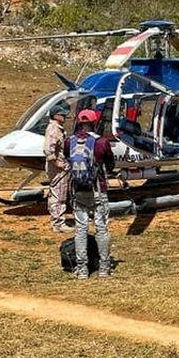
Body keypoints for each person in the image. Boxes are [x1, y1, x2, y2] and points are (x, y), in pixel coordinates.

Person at [66, 109, 115, 279]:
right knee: (101, 228)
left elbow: (67, 159)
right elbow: (110, 163)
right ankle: (104, 266)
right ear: (95, 123)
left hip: (78, 192)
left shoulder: (69, 142)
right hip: (98, 191)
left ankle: (82, 269)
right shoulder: (101, 142)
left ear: (79, 123)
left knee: (81, 229)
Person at [44, 101, 73, 233]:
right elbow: (49, 149)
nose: (65, 117)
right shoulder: (54, 129)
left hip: (58, 166)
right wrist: (56, 163)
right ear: (56, 116)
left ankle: (57, 221)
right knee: (59, 195)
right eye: (63, 115)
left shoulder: (57, 128)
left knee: (57, 193)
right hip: (58, 168)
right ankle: (58, 223)